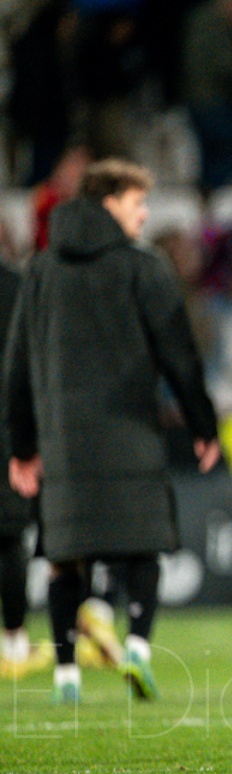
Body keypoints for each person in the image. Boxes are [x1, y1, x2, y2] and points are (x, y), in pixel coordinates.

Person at [4, 158, 221, 704]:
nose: (145, 214)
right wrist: (202, 424)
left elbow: (18, 365)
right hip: (132, 431)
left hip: (62, 438)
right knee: (143, 547)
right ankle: (138, 649)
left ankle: (66, 676)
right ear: (109, 203)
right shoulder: (143, 267)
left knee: (64, 556)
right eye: (137, 203)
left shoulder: (40, 270)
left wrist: (23, 446)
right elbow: (179, 352)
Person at [0, 260, 52, 681]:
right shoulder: (16, 288)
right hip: (7, 429)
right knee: (9, 536)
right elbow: (31, 362)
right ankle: (14, 641)